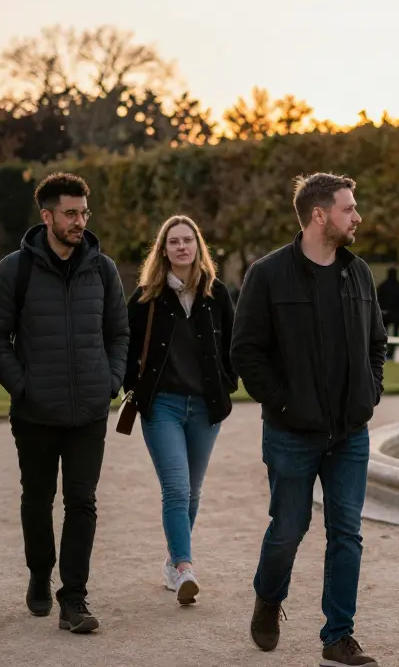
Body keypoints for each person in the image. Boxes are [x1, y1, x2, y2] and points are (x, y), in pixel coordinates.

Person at [232, 173, 387, 667]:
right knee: (289, 528)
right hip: (290, 432)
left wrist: (370, 391)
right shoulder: (268, 274)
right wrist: (282, 404)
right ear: (319, 215)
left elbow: (377, 343)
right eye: (348, 208)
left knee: (347, 532)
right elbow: (246, 351)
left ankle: (338, 636)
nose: (357, 216)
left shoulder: (358, 273)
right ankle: (269, 597)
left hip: (349, 433)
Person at [0, 172, 129, 634]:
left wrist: (111, 379)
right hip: (35, 412)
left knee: (82, 502)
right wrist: (21, 385)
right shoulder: (16, 269)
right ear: (46, 216)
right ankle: (39, 573)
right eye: (70, 213)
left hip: (89, 410)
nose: (80, 221)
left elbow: (118, 332)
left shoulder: (102, 268)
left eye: (84, 212)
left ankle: (75, 599)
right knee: (38, 499)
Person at [124, 216, 238, 606]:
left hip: (205, 407)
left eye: (188, 240)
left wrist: (228, 382)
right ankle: (186, 567)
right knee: (176, 487)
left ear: (198, 246)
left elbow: (234, 346)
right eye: (173, 241)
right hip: (163, 407)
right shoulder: (146, 298)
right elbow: (125, 346)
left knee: (193, 492)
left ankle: (173, 563)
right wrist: (132, 387)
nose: (182, 247)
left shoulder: (216, 293)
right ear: (163, 249)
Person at [376, 267, 399, 361]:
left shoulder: (383, 286)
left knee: (384, 332)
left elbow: (376, 301)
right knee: (396, 332)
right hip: (398, 316)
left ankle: (384, 352)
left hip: (385, 315)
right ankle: (392, 352)